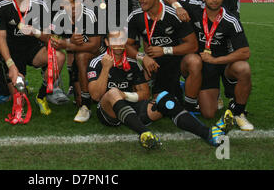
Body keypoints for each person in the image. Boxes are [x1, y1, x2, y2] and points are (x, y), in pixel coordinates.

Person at [88, 30, 233, 149]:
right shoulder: (97, 62)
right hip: (109, 113)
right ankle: (144, 133)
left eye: (121, 40)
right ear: (107, 42)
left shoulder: (133, 64)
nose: (118, 44)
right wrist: (106, 68)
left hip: (131, 108)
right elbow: (95, 96)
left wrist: (124, 95)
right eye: (114, 40)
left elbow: (145, 94)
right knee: (112, 93)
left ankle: (208, 133)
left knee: (165, 98)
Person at [179, 0, 254, 131]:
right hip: (202, 66)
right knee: (208, 113)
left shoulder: (231, 20)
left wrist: (216, 60)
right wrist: (177, 7)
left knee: (244, 68)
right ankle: (187, 88)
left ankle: (238, 113)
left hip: (224, 64)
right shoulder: (194, 9)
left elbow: (245, 52)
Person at [0, 0, 66, 116]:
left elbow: (48, 38)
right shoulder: (2, 6)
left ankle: (41, 97)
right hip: (12, 53)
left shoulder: (40, 5)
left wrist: (35, 32)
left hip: (34, 50)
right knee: (19, 97)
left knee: (59, 57)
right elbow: (0, 39)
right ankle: (20, 85)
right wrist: (10, 65)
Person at [125, 0, 201, 104]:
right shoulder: (135, 16)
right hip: (152, 62)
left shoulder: (175, 15)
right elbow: (125, 44)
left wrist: (165, 50)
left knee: (194, 61)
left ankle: (190, 105)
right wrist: (143, 57)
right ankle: (168, 87)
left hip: (177, 59)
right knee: (155, 102)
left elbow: (193, 45)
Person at [51, 0, 103, 122]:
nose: (72, 6)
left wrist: (68, 44)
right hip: (79, 61)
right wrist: (69, 41)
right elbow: (54, 40)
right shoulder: (59, 17)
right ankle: (82, 98)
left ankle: (86, 106)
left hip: (101, 58)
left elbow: (94, 46)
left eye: (75, 1)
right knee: (78, 99)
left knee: (81, 56)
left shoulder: (92, 13)